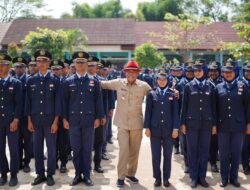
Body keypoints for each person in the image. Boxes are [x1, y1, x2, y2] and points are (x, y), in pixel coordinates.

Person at [100, 60, 152, 187]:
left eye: (134, 72)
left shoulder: (144, 86)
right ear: (125, 72)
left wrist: (174, 93)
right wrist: (89, 77)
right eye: (129, 72)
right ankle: (121, 176)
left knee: (134, 151)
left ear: (138, 73)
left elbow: (157, 95)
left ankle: (130, 173)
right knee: (123, 150)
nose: (131, 74)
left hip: (136, 124)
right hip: (122, 123)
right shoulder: (118, 82)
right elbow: (102, 84)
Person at [62, 51, 103, 186]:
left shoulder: (94, 81)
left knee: (87, 148)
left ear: (86, 63)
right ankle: (77, 174)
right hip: (73, 120)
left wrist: (98, 117)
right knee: (76, 148)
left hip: (89, 120)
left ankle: (87, 175)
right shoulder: (68, 82)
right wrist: (64, 119)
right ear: (74, 64)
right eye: (77, 62)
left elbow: (98, 101)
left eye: (83, 62)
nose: (80, 64)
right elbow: (65, 102)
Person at [26, 50, 61, 186]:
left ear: (49, 63)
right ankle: (40, 174)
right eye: (39, 61)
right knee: (37, 149)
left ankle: (50, 174)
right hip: (35, 120)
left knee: (51, 149)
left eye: (44, 61)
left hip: (50, 121)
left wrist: (56, 121)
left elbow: (58, 103)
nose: (41, 63)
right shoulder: (31, 80)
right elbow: (27, 102)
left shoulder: (55, 80)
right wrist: (29, 120)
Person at [180, 60, 216, 188]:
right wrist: (182, 123)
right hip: (191, 124)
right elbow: (184, 107)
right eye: (195, 71)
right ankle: (194, 177)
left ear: (204, 71)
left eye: (199, 71)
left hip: (206, 124)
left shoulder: (210, 86)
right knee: (192, 151)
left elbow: (214, 107)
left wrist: (214, 124)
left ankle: (202, 177)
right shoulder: (188, 86)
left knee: (204, 151)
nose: (197, 73)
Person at [216, 61, 250, 187]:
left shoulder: (242, 86)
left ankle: (234, 178)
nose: (228, 74)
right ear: (223, 73)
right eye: (225, 72)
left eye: (230, 72)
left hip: (238, 126)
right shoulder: (218, 87)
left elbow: (247, 107)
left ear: (234, 72)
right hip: (223, 126)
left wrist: (248, 124)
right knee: (224, 154)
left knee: (236, 153)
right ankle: (224, 178)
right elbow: (215, 108)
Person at [144, 70, 179, 187]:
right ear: (156, 80)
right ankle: (157, 178)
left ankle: (166, 178)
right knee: (156, 156)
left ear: (167, 80)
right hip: (155, 129)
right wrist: (147, 127)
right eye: (160, 79)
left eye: (164, 79)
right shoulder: (151, 94)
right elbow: (148, 112)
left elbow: (175, 113)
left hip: (169, 130)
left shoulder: (172, 94)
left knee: (168, 156)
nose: (162, 81)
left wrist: (175, 128)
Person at [0, 54, 22, 187]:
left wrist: (16, 120)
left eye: (4, 65)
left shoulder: (16, 83)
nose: (1, 67)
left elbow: (19, 104)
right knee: (0, 149)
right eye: (0, 64)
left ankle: (14, 175)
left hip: (11, 121)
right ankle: (3, 173)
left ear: (9, 67)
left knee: (13, 149)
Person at [13, 57, 32, 173]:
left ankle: (27, 163)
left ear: (25, 68)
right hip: (15, 117)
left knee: (28, 141)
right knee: (17, 141)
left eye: (21, 66)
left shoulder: (29, 80)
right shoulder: (11, 80)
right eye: (16, 66)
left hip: (26, 116)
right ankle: (18, 162)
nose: (18, 68)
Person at [176, 61, 194, 174]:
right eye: (188, 71)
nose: (190, 73)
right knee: (185, 143)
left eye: (192, 71)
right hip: (183, 117)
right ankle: (187, 164)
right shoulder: (180, 84)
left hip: (196, 117)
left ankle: (195, 162)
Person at [241, 61, 250, 175]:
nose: (249, 73)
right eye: (247, 71)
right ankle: (245, 166)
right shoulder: (241, 84)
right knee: (246, 145)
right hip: (245, 118)